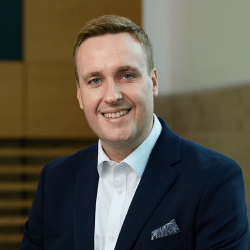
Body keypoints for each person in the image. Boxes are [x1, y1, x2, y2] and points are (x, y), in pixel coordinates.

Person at [20, 15, 250, 250]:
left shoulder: (214, 179)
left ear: (153, 82)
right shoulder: (56, 180)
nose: (112, 96)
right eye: (95, 80)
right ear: (80, 94)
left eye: (127, 75)